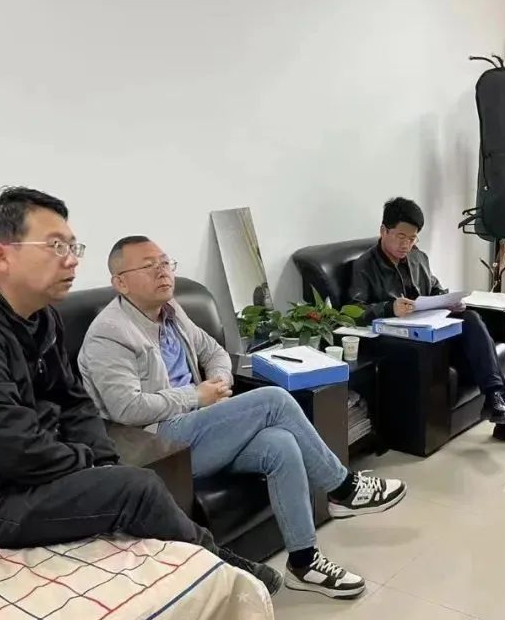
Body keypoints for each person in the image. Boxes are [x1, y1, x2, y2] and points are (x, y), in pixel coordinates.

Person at [0, 187, 283, 594]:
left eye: (72, 246)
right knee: (136, 488)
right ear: (2, 255)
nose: (72, 259)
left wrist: (102, 458)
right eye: (55, 246)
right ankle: (222, 569)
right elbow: (18, 452)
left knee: (128, 473)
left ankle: (207, 563)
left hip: (28, 468)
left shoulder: (39, 317)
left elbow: (73, 400)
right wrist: (91, 465)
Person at [79, 236, 407, 600]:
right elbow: (126, 408)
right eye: (148, 265)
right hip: (159, 445)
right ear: (121, 282)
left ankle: (304, 562)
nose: (162, 271)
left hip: (200, 423)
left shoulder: (170, 311)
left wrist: (219, 382)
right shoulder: (109, 334)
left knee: (280, 444)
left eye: (165, 262)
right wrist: (196, 395)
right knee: (273, 400)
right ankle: (342, 488)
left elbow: (215, 352)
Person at [348, 197, 505, 450]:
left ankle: (498, 403)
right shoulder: (364, 266)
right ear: (383, 230)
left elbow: (434, 289)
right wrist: (389, 308)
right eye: (400, 236)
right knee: (479, 347)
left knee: (471, 318)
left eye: (412, 238)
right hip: (407, 344)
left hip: (434, 332)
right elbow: (352, 311)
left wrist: (449, 301)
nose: (406, 244)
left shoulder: (418, 258)